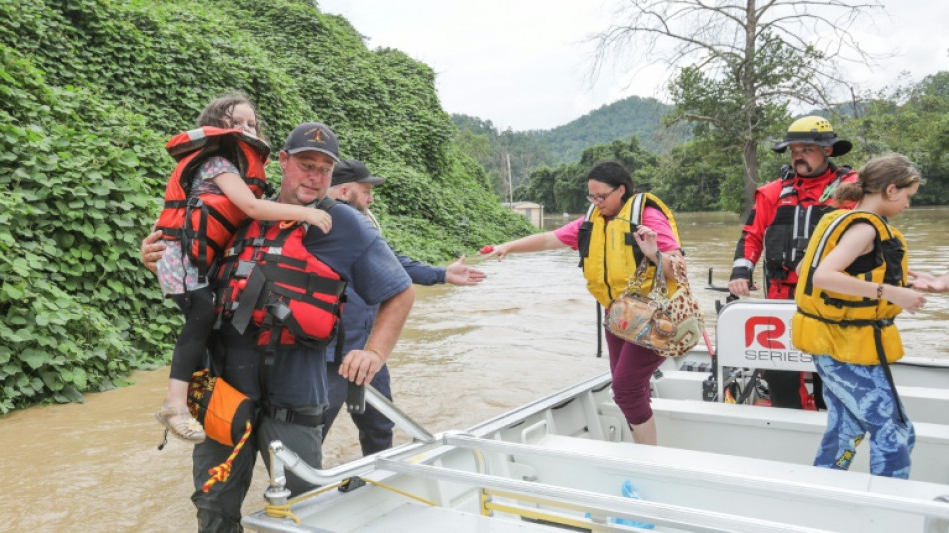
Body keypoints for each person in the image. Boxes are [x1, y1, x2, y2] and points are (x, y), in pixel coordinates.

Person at [144, 122, 414, 532]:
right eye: (306, 164)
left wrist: (374, 352)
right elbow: (193, 264)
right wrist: (156, 259)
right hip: (226, 384)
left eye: (324, 170)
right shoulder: (243, 210)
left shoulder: (344, 224)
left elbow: (400, 291)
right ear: (283, 162)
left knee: (303, 504)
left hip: (297, 385)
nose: (314, 176)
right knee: (213, 501)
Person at [152, 93, 332, 444]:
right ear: (216, 126)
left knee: (205, 316)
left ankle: (188, 402)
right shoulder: (217, 163)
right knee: (201, 315)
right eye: (236, 123)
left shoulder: (236, 169)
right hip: (182, 261)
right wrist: (306, 213)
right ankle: (174, 403)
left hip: (196, 264)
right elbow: (251, 207)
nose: (246, 129)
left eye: (251, 124)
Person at [484, 161, 683, 445]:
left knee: (625, 388)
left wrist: (653, 253)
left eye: (601, 196)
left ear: (621, 190)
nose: (596, 202)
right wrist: (507, 247)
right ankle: (642, 441)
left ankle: (648, 455)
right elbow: (547, 240)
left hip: (656, 316)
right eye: (592, 197)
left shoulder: (647, 218)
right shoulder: (592, 222)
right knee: (628, 387)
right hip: (619, 315)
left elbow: (678, 268)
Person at [323, 159, 486, 456]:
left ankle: (376, 483)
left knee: (379, 426)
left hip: (369, 349)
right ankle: (301, 497)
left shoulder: (361, 227)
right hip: (328, 354)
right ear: (345, 191)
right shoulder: (317, 225)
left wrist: (442, 274)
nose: (371, 198)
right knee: (314, 430)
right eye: (366, 191)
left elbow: (393, 265)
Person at [793, 153, 925, 478]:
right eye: (908, 196)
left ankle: (823, 493)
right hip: (847, 347)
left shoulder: (839, 220)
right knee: (896, 434)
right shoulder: (865, 229)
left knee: (845, 430)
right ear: (891, 190)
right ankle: (885, 512)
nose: (907, 204)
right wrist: (892, 293)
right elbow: (823, 276)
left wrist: (914, 283)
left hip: (831, 343)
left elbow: (803, 269)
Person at [728, 116, 859, 410]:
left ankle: (832, 431)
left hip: (833, 296)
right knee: (781, 376)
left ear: (827, 150)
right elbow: (752, 236)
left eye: (806, 149)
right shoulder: (773, 192)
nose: (798, 155)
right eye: (794, 150)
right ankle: (790, 430)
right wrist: (741, 272)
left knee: (833, 376)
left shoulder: (852, 189)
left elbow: (870, 233)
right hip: (781, 296)